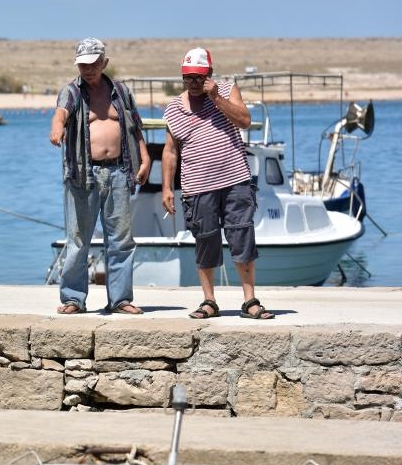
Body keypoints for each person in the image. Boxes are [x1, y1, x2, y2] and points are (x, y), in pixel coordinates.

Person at [161, 48, 275, 320]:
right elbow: (170, 151)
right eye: (188, 78)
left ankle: (250, 301)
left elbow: (244, 121)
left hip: (235, 180)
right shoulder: (174, 108)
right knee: (205, 241)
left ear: (210, 75)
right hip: (197, 187)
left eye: (199, 77)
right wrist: (167, 188)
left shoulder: (226, 89)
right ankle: (209, 301)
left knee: (242, 237)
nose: (194, 83)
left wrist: (216, 97)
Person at [49, 38, 151, 315]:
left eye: (93, 63)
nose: (88, 69)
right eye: (83, 64)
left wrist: (145, 156)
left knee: (120, 240)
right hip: (83, 174)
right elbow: (60, 113)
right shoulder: (71, 91)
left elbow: (134, 126)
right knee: (78, 239)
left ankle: (120, 300)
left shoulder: (120, 91)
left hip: (119, 170)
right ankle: (73, 299)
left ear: (104, 62)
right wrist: (57, 129)